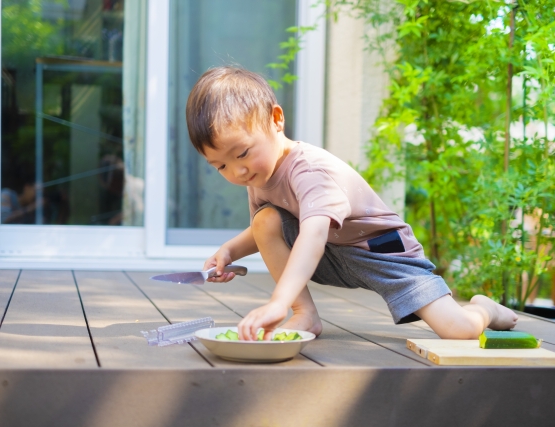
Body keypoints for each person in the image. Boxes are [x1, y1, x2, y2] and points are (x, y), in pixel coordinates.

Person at [186, 66, 518, 341]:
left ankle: (484, 308)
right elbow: (269, 229)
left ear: (276, 120)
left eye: (242, 153)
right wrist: (230, 251)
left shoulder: (309, 169)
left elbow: (313, 234)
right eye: (221, 166)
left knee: (459, 331)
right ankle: (305, 316)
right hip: (333, 253)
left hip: (381, 251)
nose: (238, 171)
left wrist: (277, 302)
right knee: (265, 220)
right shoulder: (258, 173)